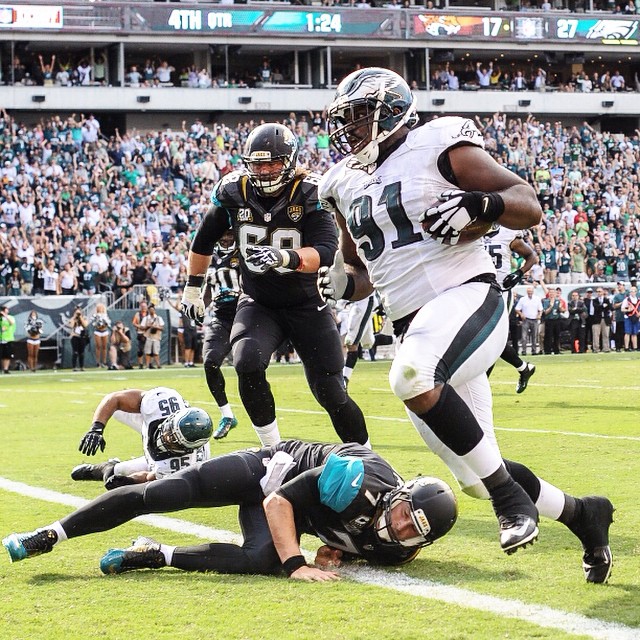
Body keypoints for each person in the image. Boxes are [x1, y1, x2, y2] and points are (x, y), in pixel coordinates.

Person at [316, 67, 613, 582]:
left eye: (359, 115)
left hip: (467, 298)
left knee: (409, 376)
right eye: (347, 119)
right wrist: (337, 284)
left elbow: (528, 204)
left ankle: (510, 501)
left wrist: (484, 204)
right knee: (473, 474)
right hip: (418, 326)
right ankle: (585, 514)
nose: (351, 128)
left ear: (390, 110)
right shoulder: (341, 183)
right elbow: (362, 273)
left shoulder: (439, 142)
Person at [4, 440, 457, 581]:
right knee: (162, 496)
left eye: (412, 530)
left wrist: (336, 553)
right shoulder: (362, 478)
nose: (398, 528)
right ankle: (49, 534)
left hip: (293, 512)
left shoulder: (398, 550)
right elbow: (279, 500)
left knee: (263, 559)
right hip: (269, 472)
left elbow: (349, 543)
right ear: (401, 493)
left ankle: (156, 553)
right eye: (403, 514)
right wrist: (299, 562)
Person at [181, 123, 368, 448]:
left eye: (272, 163)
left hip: (308, 303)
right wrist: (193, 287)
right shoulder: (233, 191)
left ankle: (368, 457)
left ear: (290, 161)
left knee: (331, 392)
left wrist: (286, 257)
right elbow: (203, 240)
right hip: (259, 302)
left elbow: (326, 249)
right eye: (257, 164)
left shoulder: (310, 191)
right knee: (247, 363)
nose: (265, 171)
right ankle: (272, 452)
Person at [69, 387, 212, 489]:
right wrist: (96, 429)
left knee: (115, 474)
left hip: (162, 462)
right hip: (151, 423)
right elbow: (115, 399)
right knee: (114, 409)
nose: (166, 438)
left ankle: (102, 468)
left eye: (175, 442)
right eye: (170, 432)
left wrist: (129, 481)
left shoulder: (181, 466)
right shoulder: (161, 403)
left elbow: (148, 478)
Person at [484, 225, 538, 392]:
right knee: (487, 339)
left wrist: (519, 273)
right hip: (478, 291)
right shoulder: (474, 233)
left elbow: (531, 256)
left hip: (501, 291)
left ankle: (481, 383)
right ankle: (523, 368)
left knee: (491, 337)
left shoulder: (507, 234)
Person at [201, 229, 241, 439]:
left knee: (248, 366)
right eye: (222, 234)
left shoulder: (244, 252)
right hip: (220, 318)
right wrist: (199, 307)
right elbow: (207, 290)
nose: (225, 238)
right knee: (210, 362)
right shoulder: (209, 258)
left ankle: (263, 423)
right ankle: (227, 415)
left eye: (229, 234)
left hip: (246, 315)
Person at [342, 294, 376, 388]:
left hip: (363, 302)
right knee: (369, 343)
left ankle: (344, 379)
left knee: (351, 343)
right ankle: (401, 336)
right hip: (356, 303)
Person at [515, 286, 543, 356]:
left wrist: (539, 315)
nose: (530, 292)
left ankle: (534, 351)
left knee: (534, 336)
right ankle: (524, 351)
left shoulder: (537, 298)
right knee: (524, 336)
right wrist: (521, 314)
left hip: (535, 319)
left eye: (531, 291)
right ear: (527, 292)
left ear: (533, 292)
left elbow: (541, 309)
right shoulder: (522, 299)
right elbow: (517, 308)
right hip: (526, 319)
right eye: (528, 291)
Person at [140, 303, 164, 369]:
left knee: (156, 352)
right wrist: (148, 326)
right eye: (150, 310)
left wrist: (155, 327)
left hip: (156, 337)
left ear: (154, 310)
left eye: (153, 310)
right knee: (148, 352)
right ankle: (147, 365)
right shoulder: (146, 318)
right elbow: (141, 328)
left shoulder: (159, 318)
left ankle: (158, 365)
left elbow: (162, 328)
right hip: (148, 337)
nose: (151, 311)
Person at [68, 305, 89, 372]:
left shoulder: (84, 318)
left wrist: (80, 317)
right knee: (75, 352)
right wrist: (74, 317)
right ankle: (74, 367)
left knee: (82, 353)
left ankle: (82, 366)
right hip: (75, 337)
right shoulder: (73, 318)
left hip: (82, 337)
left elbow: (85, 325)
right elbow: (71, 325)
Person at [591, 286, 612, 353]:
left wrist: (601, 307)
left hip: (605, 319)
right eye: (597, 292)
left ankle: (606, 348)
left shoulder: (607, 300)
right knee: (596, 335)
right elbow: (596, 308)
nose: (598, 293)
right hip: (596, 320)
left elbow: (609, 308)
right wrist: (602, 306)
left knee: (606, 334)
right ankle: (596, 349)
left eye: (600, 291)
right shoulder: (594, 300)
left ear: (603, 292)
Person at [91, 302, 111, 368]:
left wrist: (105, 324)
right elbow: (94, 324)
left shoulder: (105, 315)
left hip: (105, 331)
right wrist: (98, 326)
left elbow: (108, 323)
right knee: (98, 347)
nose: (101, 309)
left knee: (105, 347)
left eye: (102, 307)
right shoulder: (95, 315)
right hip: (97, 331)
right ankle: (98, 362)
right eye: (99, 307)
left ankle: (104, 362)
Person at [621, 284, 640, 351]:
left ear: (636, 292)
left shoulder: (638, 300)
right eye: (631, 291)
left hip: (636, 317)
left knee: (635, 333)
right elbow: (622, 309)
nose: (632, 292)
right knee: (627, 333)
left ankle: (635, 347)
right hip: (628, 317)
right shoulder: (627, 299)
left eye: (634, 291)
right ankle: (626, 347)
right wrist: (628, 310)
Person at [132, 299, 149, 369]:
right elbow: (134, 323)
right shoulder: (137, 314)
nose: (143, 308)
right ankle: (140, 364)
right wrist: (140, 327)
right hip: (141, 333)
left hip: (148, 333)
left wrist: (147, 327)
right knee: (140, 350)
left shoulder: (149, 313)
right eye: (142, 306)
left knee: (149, 349)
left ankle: (148, 364)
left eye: (145, 306)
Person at [0, 305, 16, 374]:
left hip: (9, 338)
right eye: (6, 309)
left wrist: (5, 316)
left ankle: (6, 369)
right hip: (1, 338)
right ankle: (2, 368)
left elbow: (11, 323)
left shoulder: (11, 317)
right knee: (2, 354)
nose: (7, 310)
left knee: (7, 355)